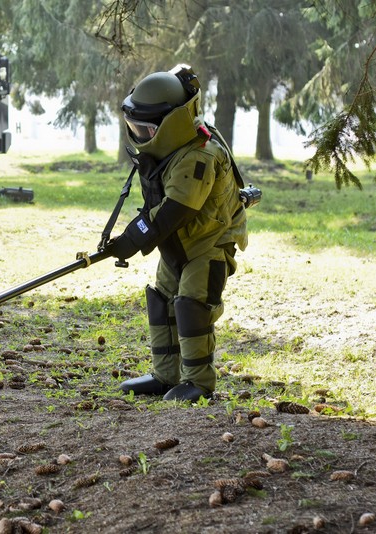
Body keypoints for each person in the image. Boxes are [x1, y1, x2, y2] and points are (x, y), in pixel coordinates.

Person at [107, 64, 248, 401]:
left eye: (146, 129)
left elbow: (173, 211)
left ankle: (198, 382)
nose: (139, 136)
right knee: (162, 302)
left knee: (191, 305)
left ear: (171, 124)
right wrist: (129, 238)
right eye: (134, 128)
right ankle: (166, 375)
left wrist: (130, 239)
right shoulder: (171, 151)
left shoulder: (198, 156)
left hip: (209, 245)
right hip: (177, 244)